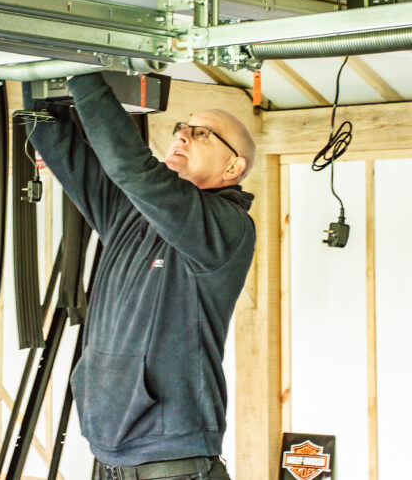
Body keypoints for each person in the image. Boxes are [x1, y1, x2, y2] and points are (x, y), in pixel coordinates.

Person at [24, 72, 257, 480]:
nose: (181, 137)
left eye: (201, 134)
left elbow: (131, 168)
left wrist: (84, 74)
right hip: (109, 460)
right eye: (180, 129)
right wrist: (38, 92)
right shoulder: (130, 215)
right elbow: (70, 160)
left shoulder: (225, 227)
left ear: (232, 166)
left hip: (172, 466)